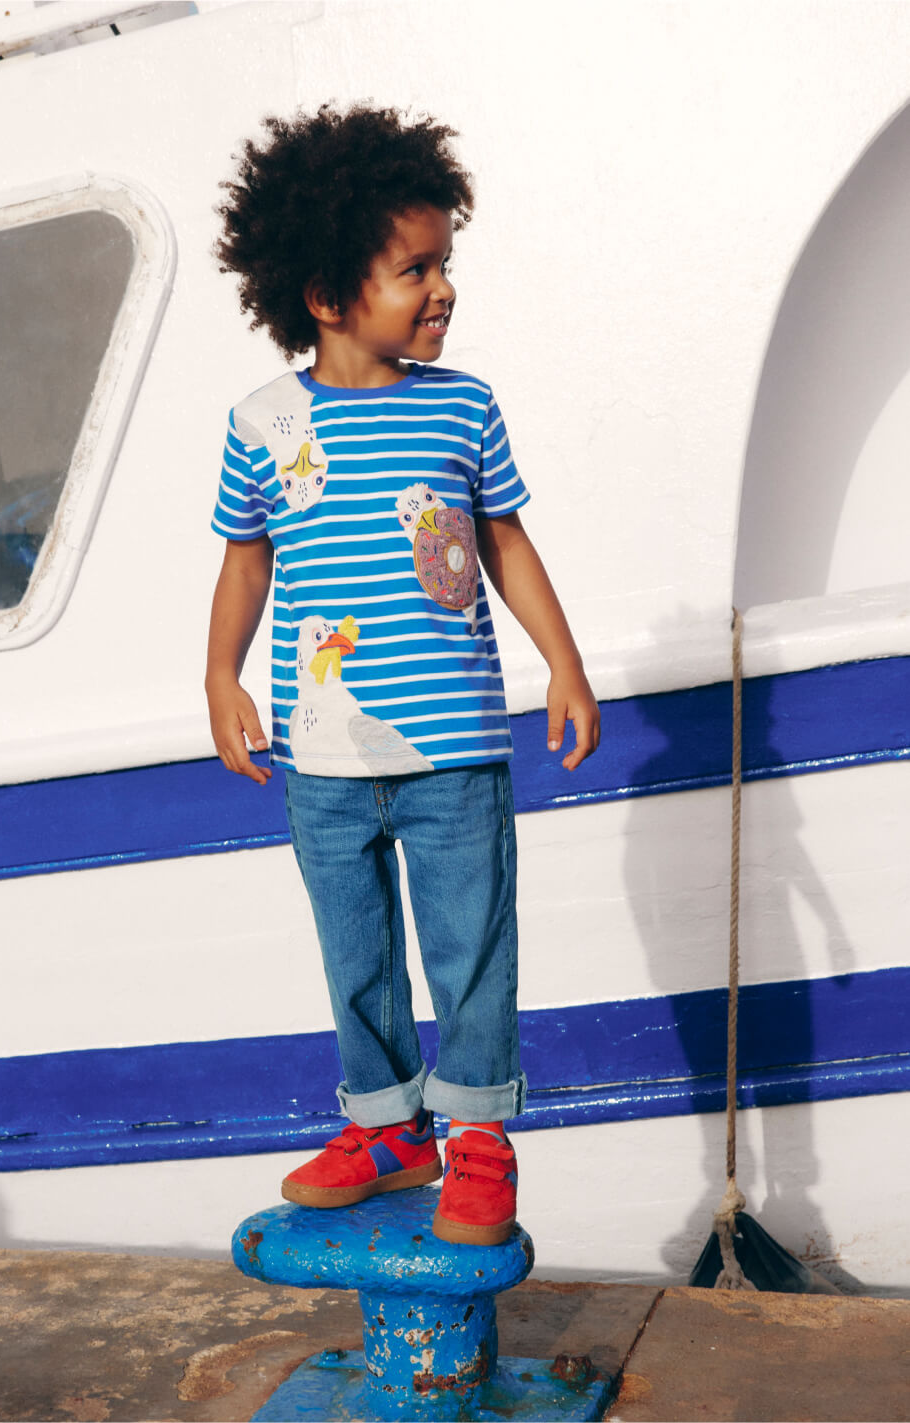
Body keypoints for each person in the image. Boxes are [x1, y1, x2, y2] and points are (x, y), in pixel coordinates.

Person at [206, 104, 600, 1246]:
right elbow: (246, 564)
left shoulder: (462, 406)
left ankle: (477, 1137)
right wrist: (220, 675)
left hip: (457, 746)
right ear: (326, 296)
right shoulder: (263, 424)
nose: (443, 289)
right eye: (414, 268)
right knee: (356, 948)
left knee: (471, 944)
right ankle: (385, 1129)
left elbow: (508, 545)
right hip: (320, 754)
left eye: (445, 263)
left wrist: (563, 666)